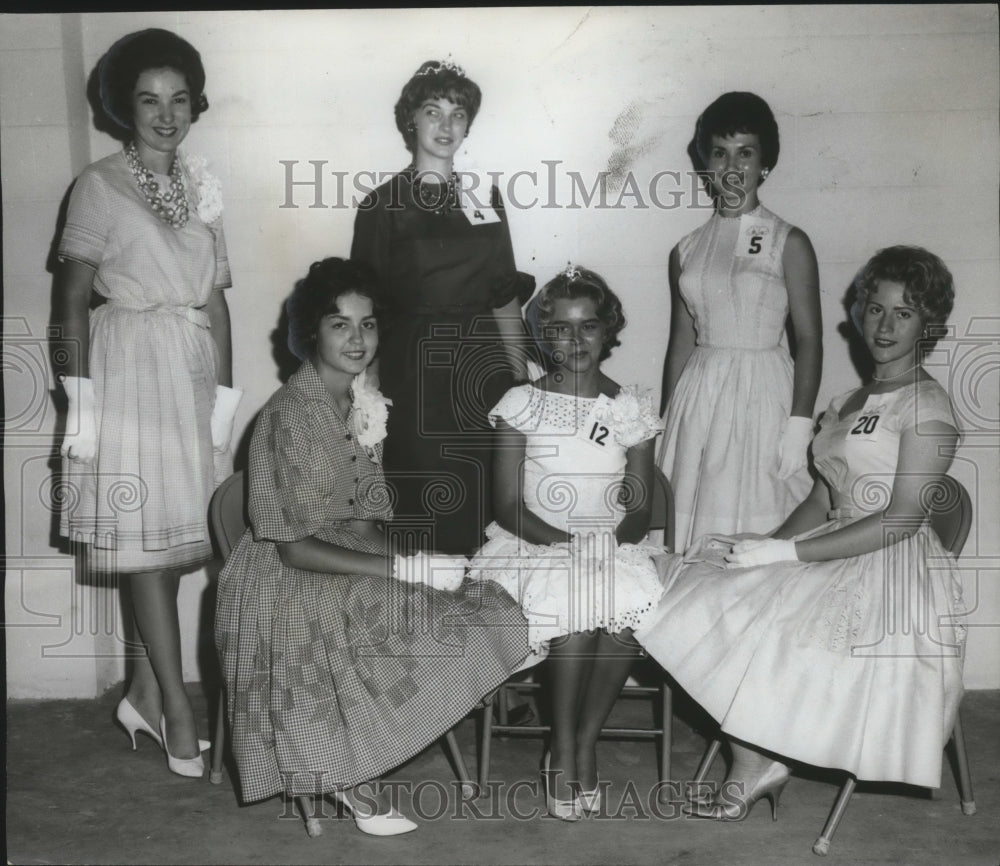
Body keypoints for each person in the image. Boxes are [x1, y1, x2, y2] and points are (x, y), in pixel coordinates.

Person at [636, 246, 966, 820]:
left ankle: (754, 763)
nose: (885, 326)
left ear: (928, 324)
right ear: (859, 312)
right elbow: (822, 497)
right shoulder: (848, 400)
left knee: (748, 616)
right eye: (876, 308)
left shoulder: (927, 405)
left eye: (904, 313)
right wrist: (763, 548)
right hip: (835, 544)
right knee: (696, 582)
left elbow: (902, 519)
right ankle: (757, 756)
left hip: (891, 567)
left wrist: (787, 554)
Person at [214, 258, 529, 836]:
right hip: (283, 576)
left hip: (337, 554)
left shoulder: (362, 403)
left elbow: (362, 525)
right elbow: (293, 550)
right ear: (311, 332)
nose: (357, 339)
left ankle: (365, 744)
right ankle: (344, 771)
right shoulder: (290, 414)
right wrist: (402, 571)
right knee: (395, 608)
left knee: (465, 605)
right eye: (340, 324)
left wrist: (416, 566)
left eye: (367, 324)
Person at [52, 29, 239, 778]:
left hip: (188, 369)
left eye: (179, 100)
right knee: (145, 549)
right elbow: (70, 300)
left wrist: (224, 399)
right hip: (126, 368)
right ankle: (177, 710)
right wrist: (81, 403)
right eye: (149, 100)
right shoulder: (98, 184)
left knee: (170, 545)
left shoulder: (204, 186)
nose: (166, 115)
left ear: (195, 104)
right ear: (123, 108)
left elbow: (218, 304)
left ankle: (141, 693)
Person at [468, 265, 664, 821]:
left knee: (626, 614)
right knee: (575, 614)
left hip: (610, 544)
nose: (574, 341)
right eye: (560, 328)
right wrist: (568, 545)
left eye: (588, 326)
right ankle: (560, 746)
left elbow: (640, 505)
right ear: (542, 334)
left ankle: (583, 740)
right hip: (532, 543)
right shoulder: (522, 401)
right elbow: (508, 504)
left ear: (608, 331)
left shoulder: (629, 406)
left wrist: (611, 545)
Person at [351, 58, 531, 556]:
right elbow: (366, 309)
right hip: (416, 374)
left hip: (483, 369)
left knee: (486, 500)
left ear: (468, 124)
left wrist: (519, 381)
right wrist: (366, 392)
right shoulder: (382, 205)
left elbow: (504, 295)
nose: (446, 125)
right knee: (425, 501)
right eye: (433, 111)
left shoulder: (485, 198)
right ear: (411, 119)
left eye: (458, 114)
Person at [658, 92, 823, 551]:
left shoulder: (788, 241)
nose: (732, 166)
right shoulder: (685, 249)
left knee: (759, 518)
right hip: (699, 397)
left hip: (763, 394)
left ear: (764, 161)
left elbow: (810, 339)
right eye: (720, 152)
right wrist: (666, 423)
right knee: (688, 523)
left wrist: (800, 423)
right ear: (705, 161)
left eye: (745, 152)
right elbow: (681, 344)